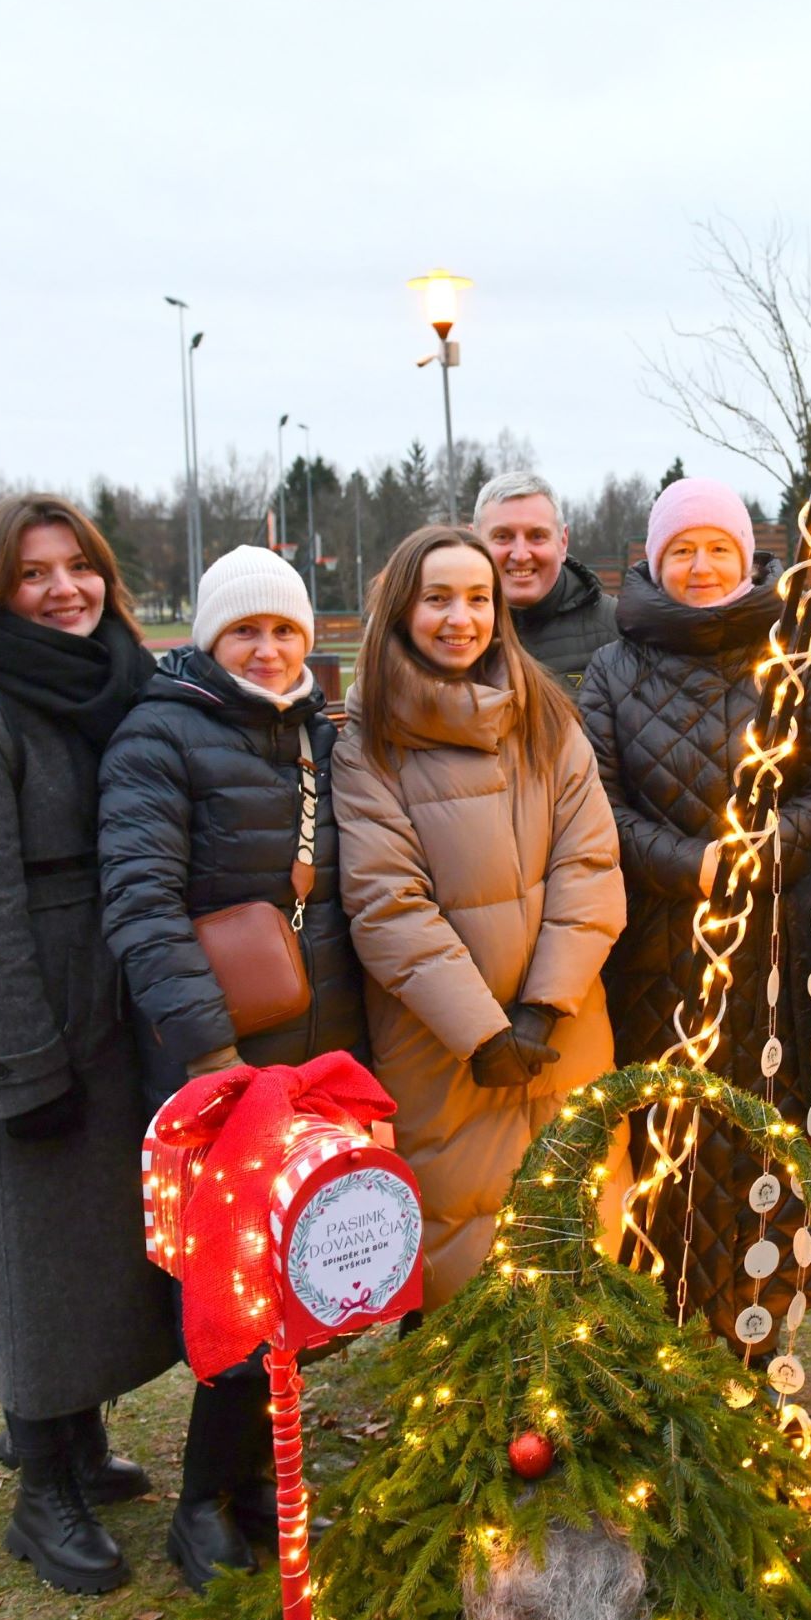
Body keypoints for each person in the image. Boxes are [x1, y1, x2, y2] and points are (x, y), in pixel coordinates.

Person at [0, 493, 171, 1595]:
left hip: (125, 987)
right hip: (37, 1001)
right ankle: (41, 1482)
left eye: (80, 565)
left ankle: (83, 1437)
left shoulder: (123, 687)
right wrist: (22, 1055)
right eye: (33, 573)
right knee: (37, 1246)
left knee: (105, 1238)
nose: (65, 588)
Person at [95, 544, 369, 1590]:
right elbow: (141, 901)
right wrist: (211, 1051)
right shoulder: (157, 738)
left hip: (320, 1058)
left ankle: (259, 1472)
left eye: (284, 629)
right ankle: (202, 1500)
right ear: (210, 638)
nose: (267, 647)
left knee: (312, 1272)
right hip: (221, 1066)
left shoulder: (320, 736)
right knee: (237, 1288)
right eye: (245, 630)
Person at [577, 477, 811, 1348]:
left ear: (746, 555)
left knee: (782, 1135)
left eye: (718, 547)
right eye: (682, 550)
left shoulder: (797, 655)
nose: (700, 566)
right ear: (654, 562)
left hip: (786, 946)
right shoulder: (613, 668)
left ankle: (759, 1347)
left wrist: (754, 860)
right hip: (664, 953)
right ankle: (672, 1354)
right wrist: (694, 866)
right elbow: (601, 808)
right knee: (677, 1148)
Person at [333, 525, 629, 1304]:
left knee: (579, 1220)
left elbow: (589, 864)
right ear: (403, 610)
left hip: (562, 1028)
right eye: (438, 599)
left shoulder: (546, 716)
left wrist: (541, 1006)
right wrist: (483, 1030)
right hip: (445, 1047)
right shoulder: (370, 740)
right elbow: (387, 901)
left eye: (477, 598)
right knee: (466, 1241)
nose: (459, 618)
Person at [475, 471, 617, 687]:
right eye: (502, 537)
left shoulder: (619, 630)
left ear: (563, 541)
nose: (520, 555)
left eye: (537, 536)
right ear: (474, 542)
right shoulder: (448, 633)